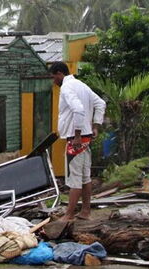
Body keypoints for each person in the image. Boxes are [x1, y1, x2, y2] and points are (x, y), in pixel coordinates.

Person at [50, 62, 106, 222]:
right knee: (85, 177)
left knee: (74, 177)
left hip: (75, 139)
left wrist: (77, 135)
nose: (53, 81)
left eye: (53, 77)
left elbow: (78, 109)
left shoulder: (67, 87)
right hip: (86, 137)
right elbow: (100, 103)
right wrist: (95, 126)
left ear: (59, 73)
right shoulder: (81, 85)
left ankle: (69, 214)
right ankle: (85, 211)